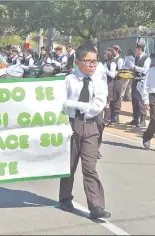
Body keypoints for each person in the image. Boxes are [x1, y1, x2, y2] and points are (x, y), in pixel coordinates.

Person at [59, 42, 110, 219]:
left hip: (91, 126)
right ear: (78, 62)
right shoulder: (69, 80)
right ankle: (65, 198)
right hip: (72, 125)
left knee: (89, 167)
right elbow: (61, 104)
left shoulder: (99, 81)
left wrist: (73, 104)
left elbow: (97, 106)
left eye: (95, 61)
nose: (92, 65)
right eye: (88, 61)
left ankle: (96, 205)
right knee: (69, 165)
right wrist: (71, 106)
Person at [128, 42, 151, 128]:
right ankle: (135, 118)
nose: (136, 51)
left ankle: (142, 120)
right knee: (134, 100)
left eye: (137, 49)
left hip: (141, 81)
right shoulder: (136, 57)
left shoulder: (146, 58)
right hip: (135, 80)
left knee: (140, 100)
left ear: (140, 49)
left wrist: (134, 67)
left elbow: (145, 70)